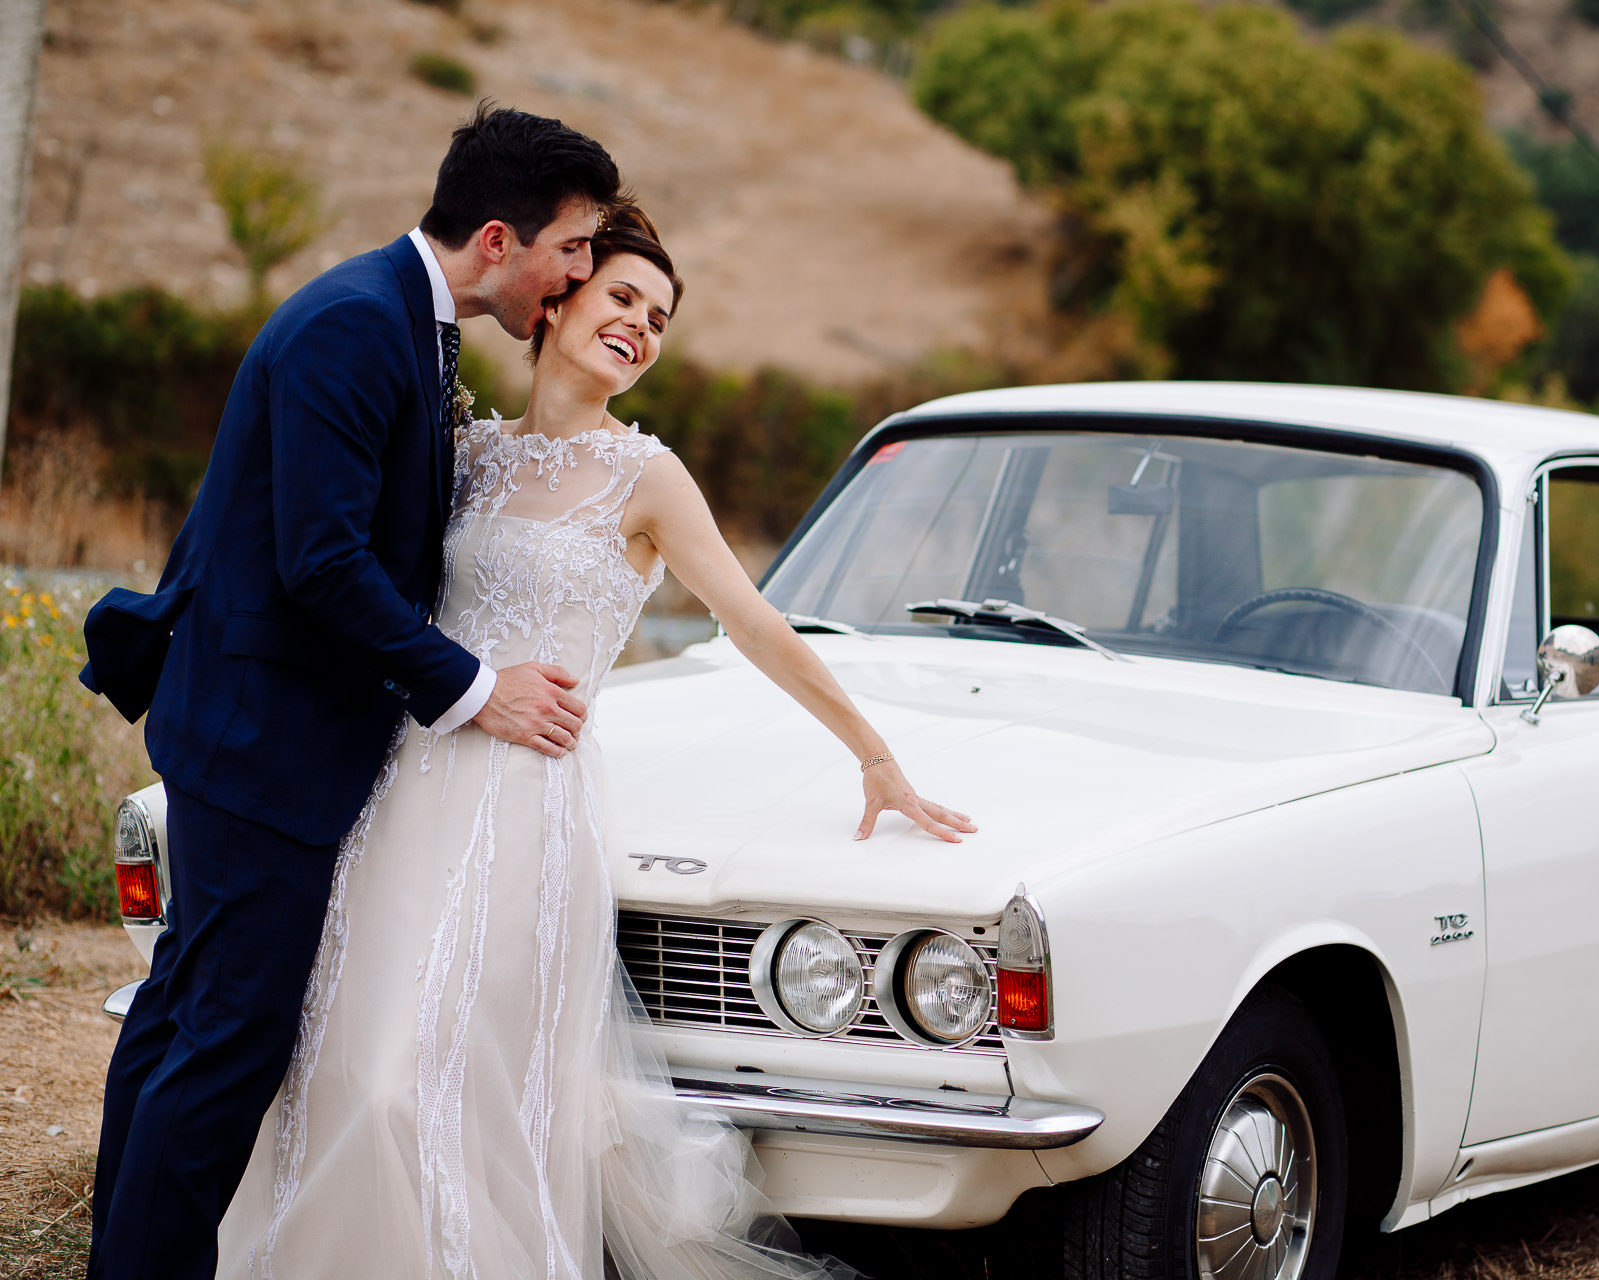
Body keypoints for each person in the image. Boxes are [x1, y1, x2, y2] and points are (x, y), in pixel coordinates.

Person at [211, 201, 972, 1277]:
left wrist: (873, 752)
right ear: (557, 298)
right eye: (624, 296)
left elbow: (752, 620)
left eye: (659, 318)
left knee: (423, 1080)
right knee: (341, 1061)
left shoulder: (647, 475)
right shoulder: (464, 452)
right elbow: (362, 584)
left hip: (526, 810)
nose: (642, 328)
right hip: (401, 788)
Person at [79, 104, 622, 1279]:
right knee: (230, 1038)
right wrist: (479, 687)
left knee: (182, 1014)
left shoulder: (407, 322)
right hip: (262, 742)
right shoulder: (353, 327)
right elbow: (320, 563)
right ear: (497, 239)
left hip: (263, 731)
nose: (579, 275)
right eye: (574, 248)